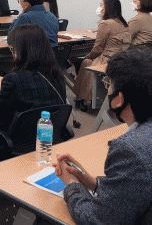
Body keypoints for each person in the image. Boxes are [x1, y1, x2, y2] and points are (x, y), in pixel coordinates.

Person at [55, 48, 152, 225]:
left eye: (109, 84)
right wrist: (94, 183)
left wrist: (72, 185)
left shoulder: (130, 149)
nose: (108, 89)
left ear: (119, 98)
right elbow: (138, 189)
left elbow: (97, 219)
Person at [0, 24, 67, 167]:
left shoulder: (14, 79)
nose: (12, 53)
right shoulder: (58, 76)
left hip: (13, 143)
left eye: (12, 49)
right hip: (44, 143)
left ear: (21, 51)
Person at [74, 0, 131, 109]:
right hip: (122, 59)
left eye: (101, 5)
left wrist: (88, 56)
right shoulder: (124, 23)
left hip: (107, 59)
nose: (99, 8)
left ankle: (82, 97)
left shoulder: (105, 23)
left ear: (107, 7)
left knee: (86, 62)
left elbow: (98, 47)